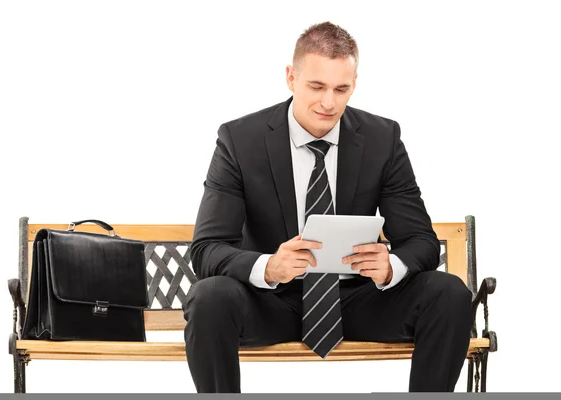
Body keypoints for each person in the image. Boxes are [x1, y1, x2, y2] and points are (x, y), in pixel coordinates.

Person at [182, 21, 473, 393]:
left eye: (342, 89)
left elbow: (421, 241)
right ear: (291, 77)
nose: (329, 103)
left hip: (359, 299)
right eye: (316, 87)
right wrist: (269, 266)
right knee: (209, 299)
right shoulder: (240, 140)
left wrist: (390, 267)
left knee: (449, 294)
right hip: (271, 301)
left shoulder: (383, 139)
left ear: (355, 83)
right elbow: (207, 250)